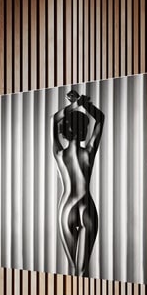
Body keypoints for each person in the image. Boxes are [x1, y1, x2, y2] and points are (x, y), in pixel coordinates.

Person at [52, 89, 104, 277]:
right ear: (83, 131)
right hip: (86, 206)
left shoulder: (59, 154)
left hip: (66, 208)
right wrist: (84, 104)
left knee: (74, 271)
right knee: (82, 271)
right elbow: (101, 119)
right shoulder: (88, 152)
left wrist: (74, 104)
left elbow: (53, 120)